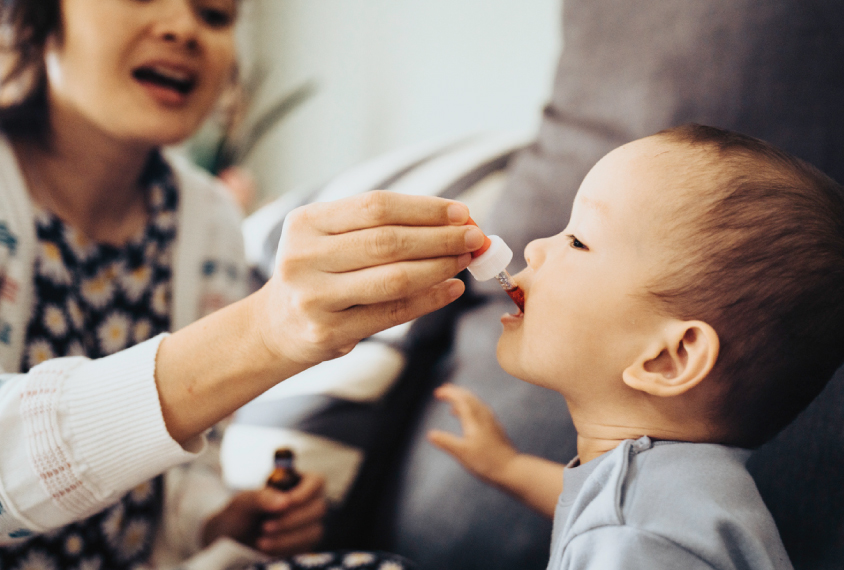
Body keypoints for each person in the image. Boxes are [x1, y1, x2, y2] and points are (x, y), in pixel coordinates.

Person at [0, 0, 483, 568]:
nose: (183, 29)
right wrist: (262, 332)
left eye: (215, 15)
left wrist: (217, 522)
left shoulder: (208, 221)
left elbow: (183, 479)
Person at [428, 124, 844, 569]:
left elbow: (617, 526)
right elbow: (599, 509)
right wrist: (507, 468)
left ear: (668, 358)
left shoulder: (635, 539)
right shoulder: (674, 499)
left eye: (578, 241)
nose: (533, 249)